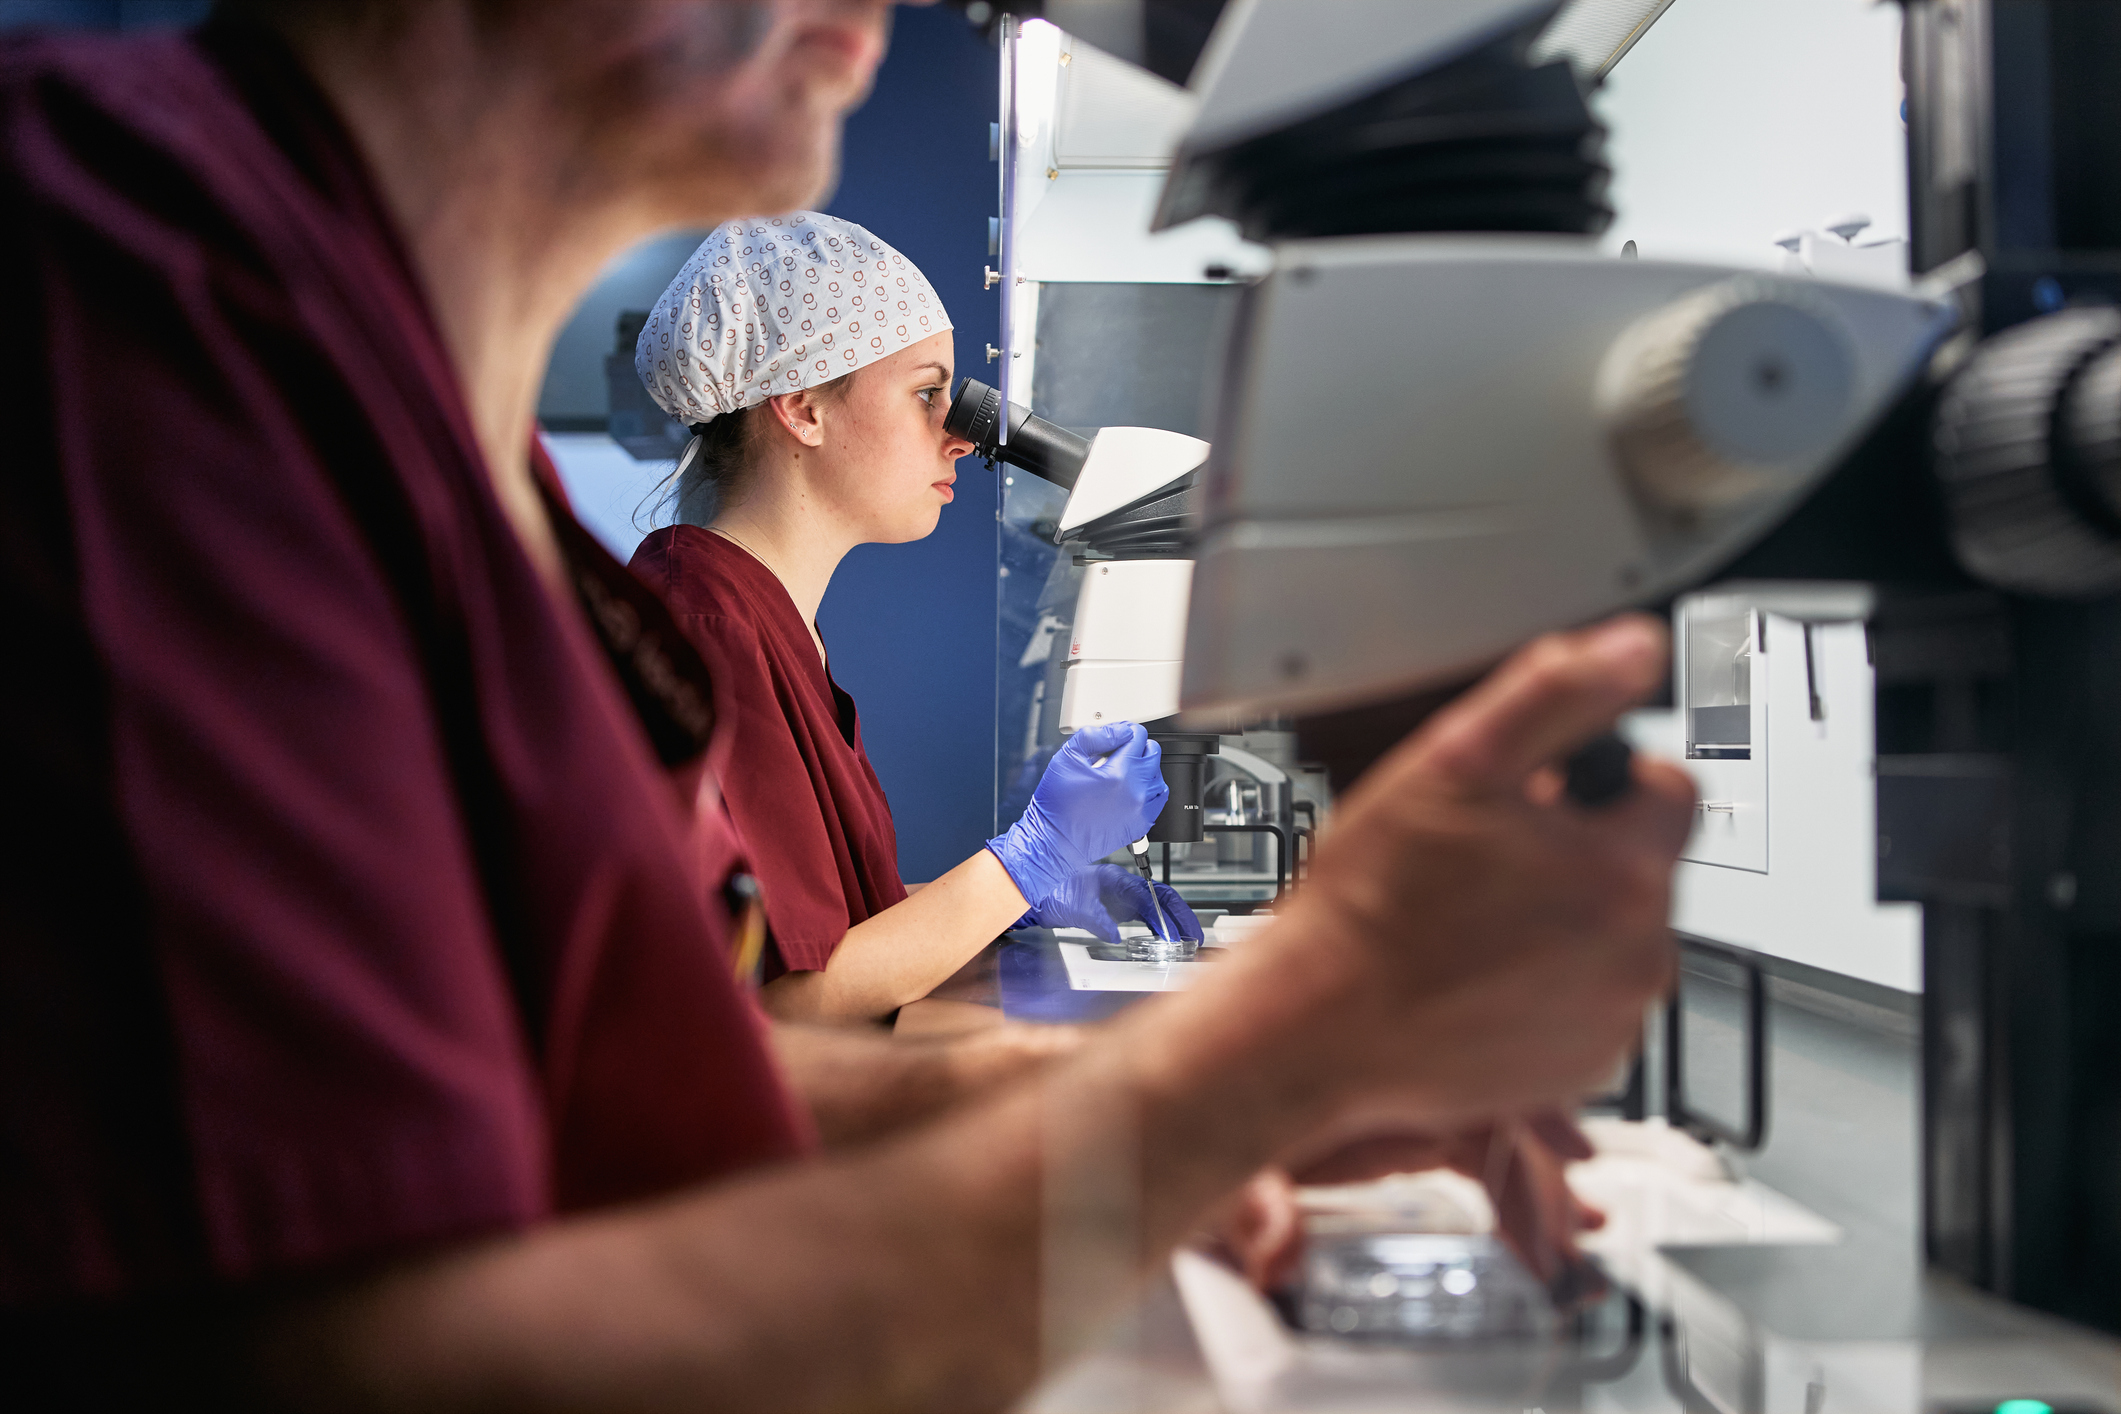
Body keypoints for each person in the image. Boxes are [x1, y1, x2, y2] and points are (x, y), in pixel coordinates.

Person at [0, 1, 1695, 1408]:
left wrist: (1211, 1101)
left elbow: (662, 1098)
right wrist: (1279, 1029)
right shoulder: (142, 274)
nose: (875, 12)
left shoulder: (460, 459)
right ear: (797, 409)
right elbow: (346, 1344)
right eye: (927, 393)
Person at [629, 212, 1195, 1022]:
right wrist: (1028, 860)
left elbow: (832, 930)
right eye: (928, 394)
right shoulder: (703, 626)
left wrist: (1017, 902)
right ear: (804, 409)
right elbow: (787, 1008)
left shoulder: (763, 615)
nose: (959, 439)